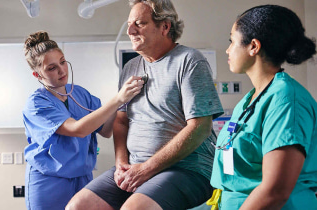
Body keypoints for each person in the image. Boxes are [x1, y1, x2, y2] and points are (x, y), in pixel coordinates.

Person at [66, 0, 223, 209]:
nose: (130, 30)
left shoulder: (189, 61)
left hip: (186, 169)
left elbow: (201, 126)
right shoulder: (131, 67)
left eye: (139, 23)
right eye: (130, 23)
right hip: (135, 166)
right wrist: (121, 163)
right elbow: (121, 121)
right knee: (78, 206)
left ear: (165, 27)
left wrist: (147, 169)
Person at [209, 4, 317, 210]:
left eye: (232, 41)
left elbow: (275, 191)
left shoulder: (286, 100)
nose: (227, 49)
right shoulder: (252, 99)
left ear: (253, 46)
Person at [22, 31, 144, 210]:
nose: (62, 70)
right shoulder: (37, 104)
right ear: (37, 75)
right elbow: (78, 129)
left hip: (83, 178)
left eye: (63, 62)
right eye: (51, 68)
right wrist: (118, 99)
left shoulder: (79, 93)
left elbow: (106, 130)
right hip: (49, 183)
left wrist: (124, 102)